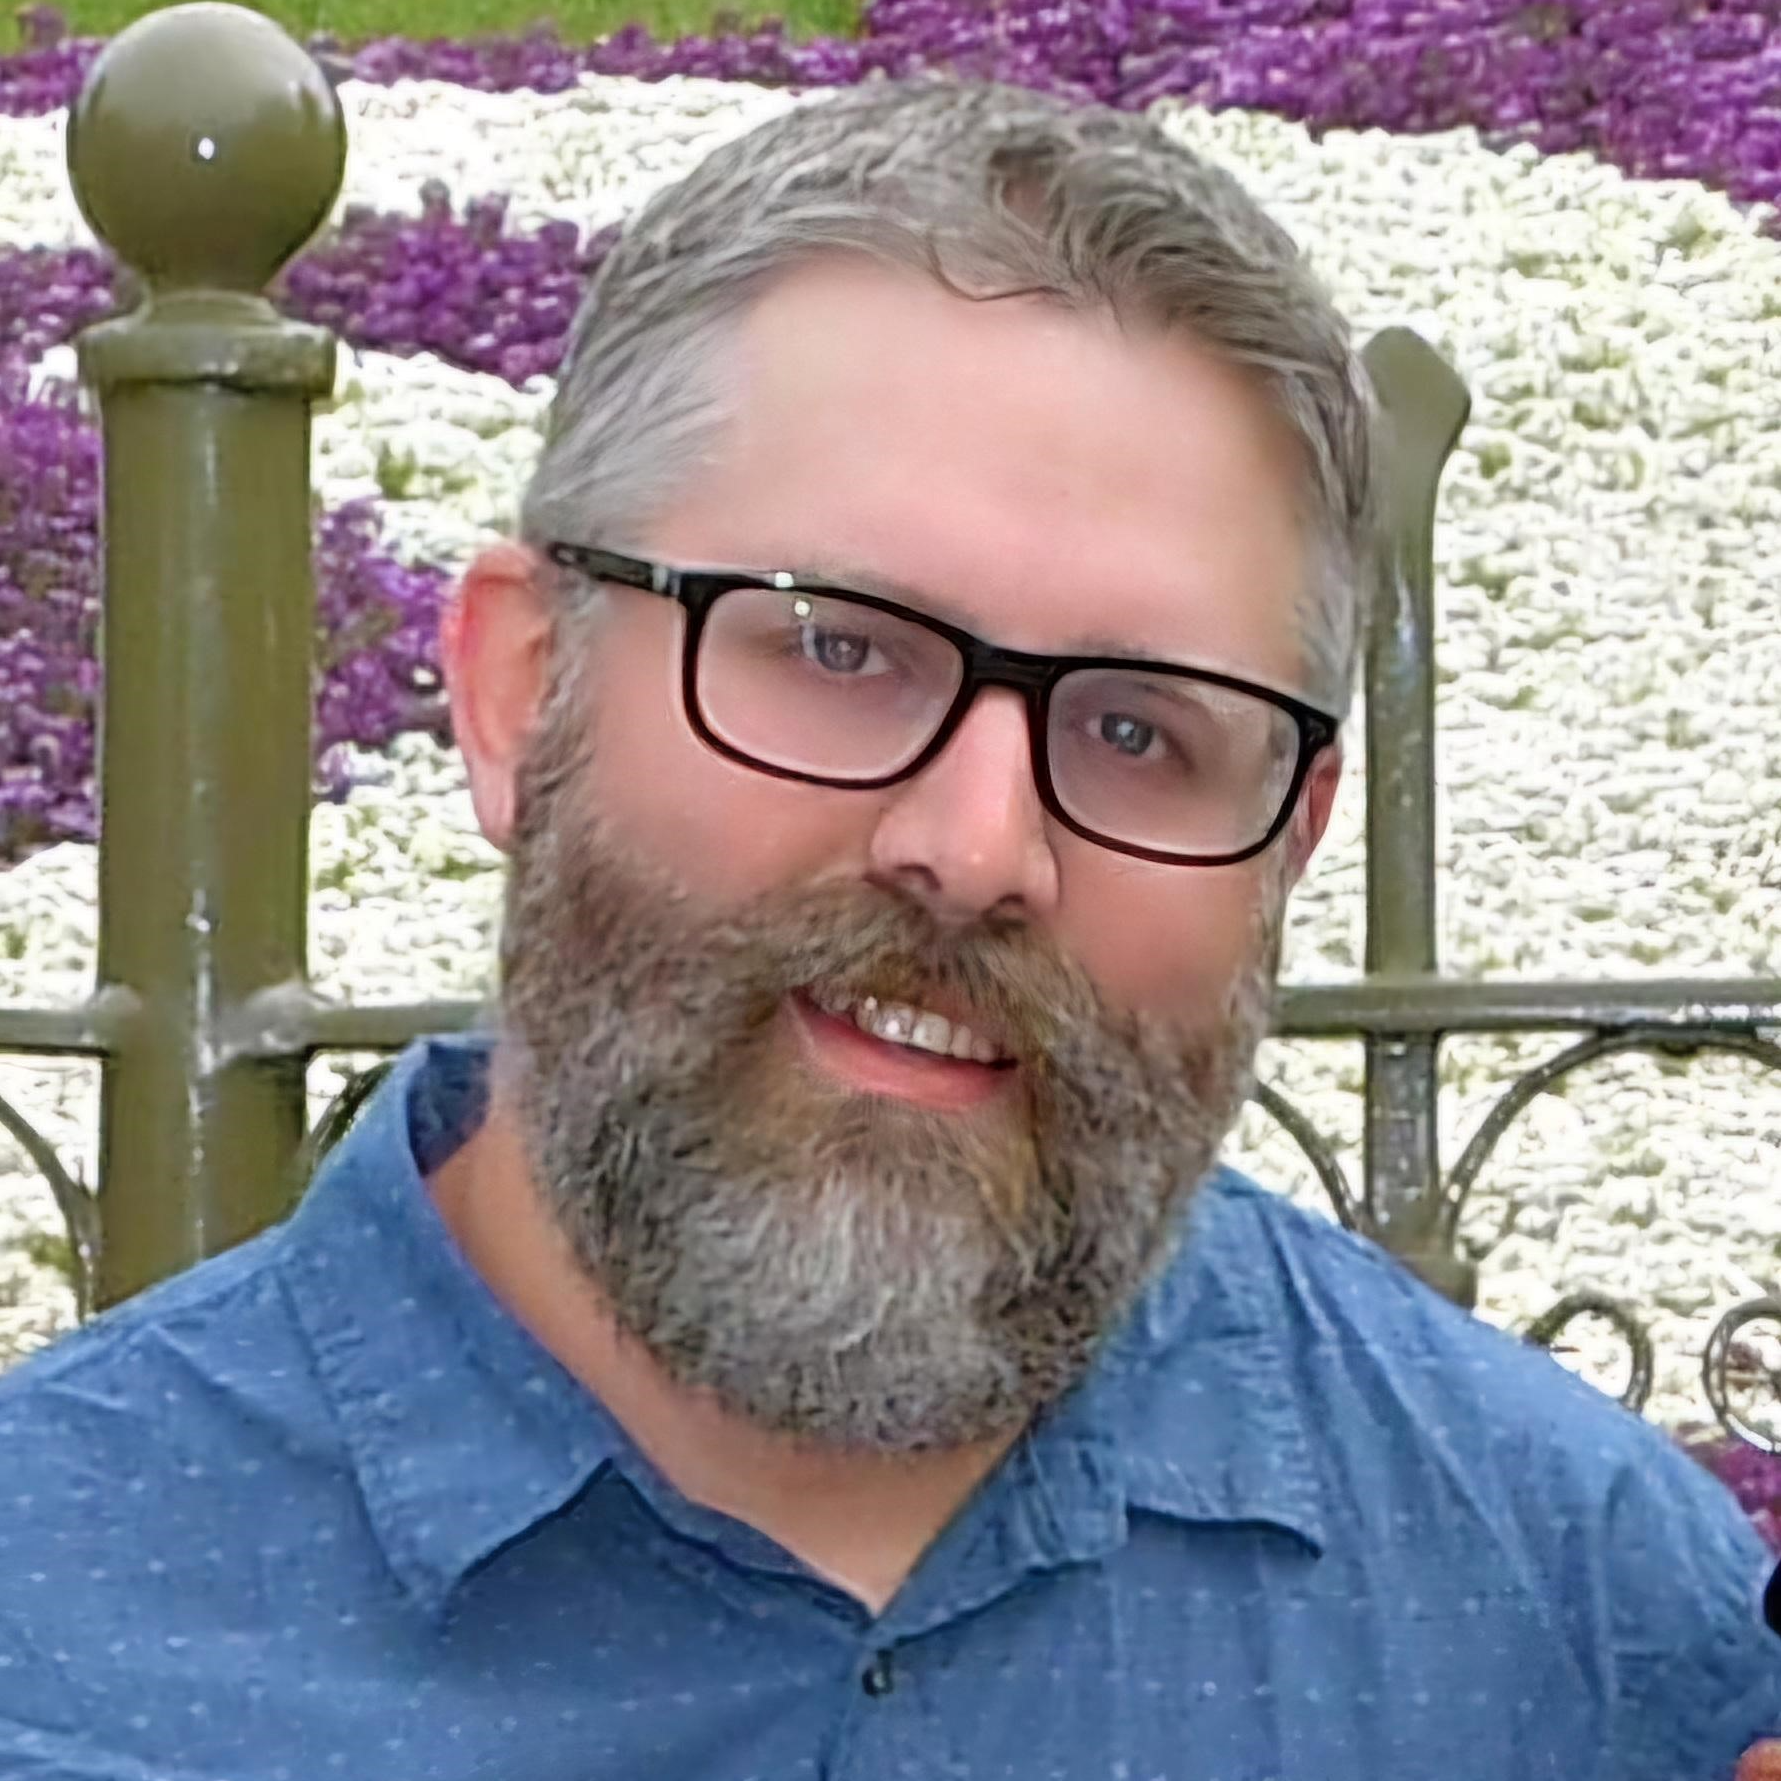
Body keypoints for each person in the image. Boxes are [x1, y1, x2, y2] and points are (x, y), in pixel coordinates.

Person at [0, 76, 1776, 1781]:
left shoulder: (1590, 1638)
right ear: (520, 692)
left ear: (1289, 851)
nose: (977, 845)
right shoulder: (56, 1633)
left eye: (1138, 731)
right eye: (840, 649)